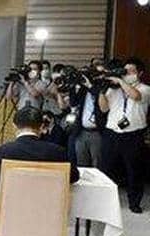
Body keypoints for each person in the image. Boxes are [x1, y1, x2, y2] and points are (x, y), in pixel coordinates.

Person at [0, 107, 80, 236]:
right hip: (46, 214)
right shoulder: (58, 152)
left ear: (14, 126)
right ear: (42, 126)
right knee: (51, 216)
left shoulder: (1, 152)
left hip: (11, 214)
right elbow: (74, 177)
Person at [98, 57, 150, 214]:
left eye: (131, 71)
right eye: (125, 71)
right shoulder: (113, 89)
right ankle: (103, 201)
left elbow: (136, 96)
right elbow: (103, 109)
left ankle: (134, 203)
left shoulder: (145, 89)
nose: (127, 74)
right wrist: (102, 90)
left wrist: (120, 81)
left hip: (133, 135)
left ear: (140, 73)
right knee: (106, 168)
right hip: (112, 133)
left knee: (134, 170)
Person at [63, 67, 107, 168]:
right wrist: (73, 86)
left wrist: (90, 86)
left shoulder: (101, 88)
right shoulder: (83, 89)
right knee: (81, 162)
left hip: (97, 132)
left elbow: (102, 104)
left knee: (97, 163)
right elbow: (73, 103)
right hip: (81, 131)